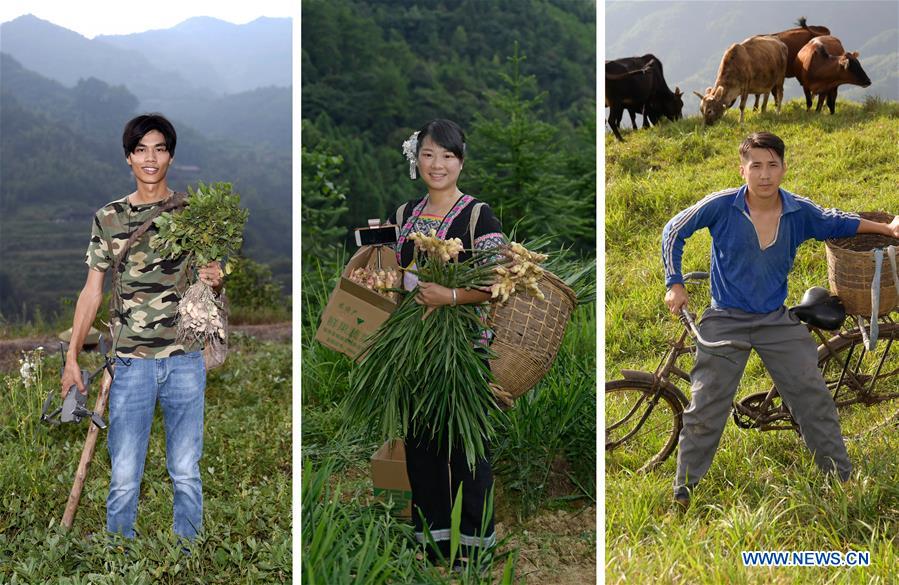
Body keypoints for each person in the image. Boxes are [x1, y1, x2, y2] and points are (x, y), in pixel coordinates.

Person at [661, 131, 899, 508]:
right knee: (706, 404)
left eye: (773, 165)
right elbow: (674, 230)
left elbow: (837, 222)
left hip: (775, 319)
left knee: (813, 397)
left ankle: (840, 479)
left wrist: (886, 229)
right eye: (756, 165)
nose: (765, 174)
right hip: (725, 319)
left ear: (784, 168)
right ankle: (684, 491)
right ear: (743, 170)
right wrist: (674, 283)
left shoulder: (798, 211)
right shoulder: (722, 206)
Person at [60, 113, 224, 540]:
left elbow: (212, 278)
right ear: (128, 158)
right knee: (124, 473)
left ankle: (188, 550)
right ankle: (120, 551)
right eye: (141, 149)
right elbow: (91, 292)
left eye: (159, 148)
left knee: (186, 470)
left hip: (185, 359)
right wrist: (72, 358)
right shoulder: (109, 218)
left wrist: (216, 279)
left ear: (170, 155)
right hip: (130, 363)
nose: (150, 158)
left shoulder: (194, 214)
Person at [393, 119, 505, 565]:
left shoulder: (478, 215)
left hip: (467, 349)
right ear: (415, 159)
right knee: (421, 447)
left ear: (461, 161)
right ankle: (434, 545)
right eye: (428, 154)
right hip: (413, 347)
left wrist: (451, 296)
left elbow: (500, 283)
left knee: (468, 447)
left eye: (447, 155)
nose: (437, 164)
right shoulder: (404, 215)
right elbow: (394, 276)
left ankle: (475, 550)